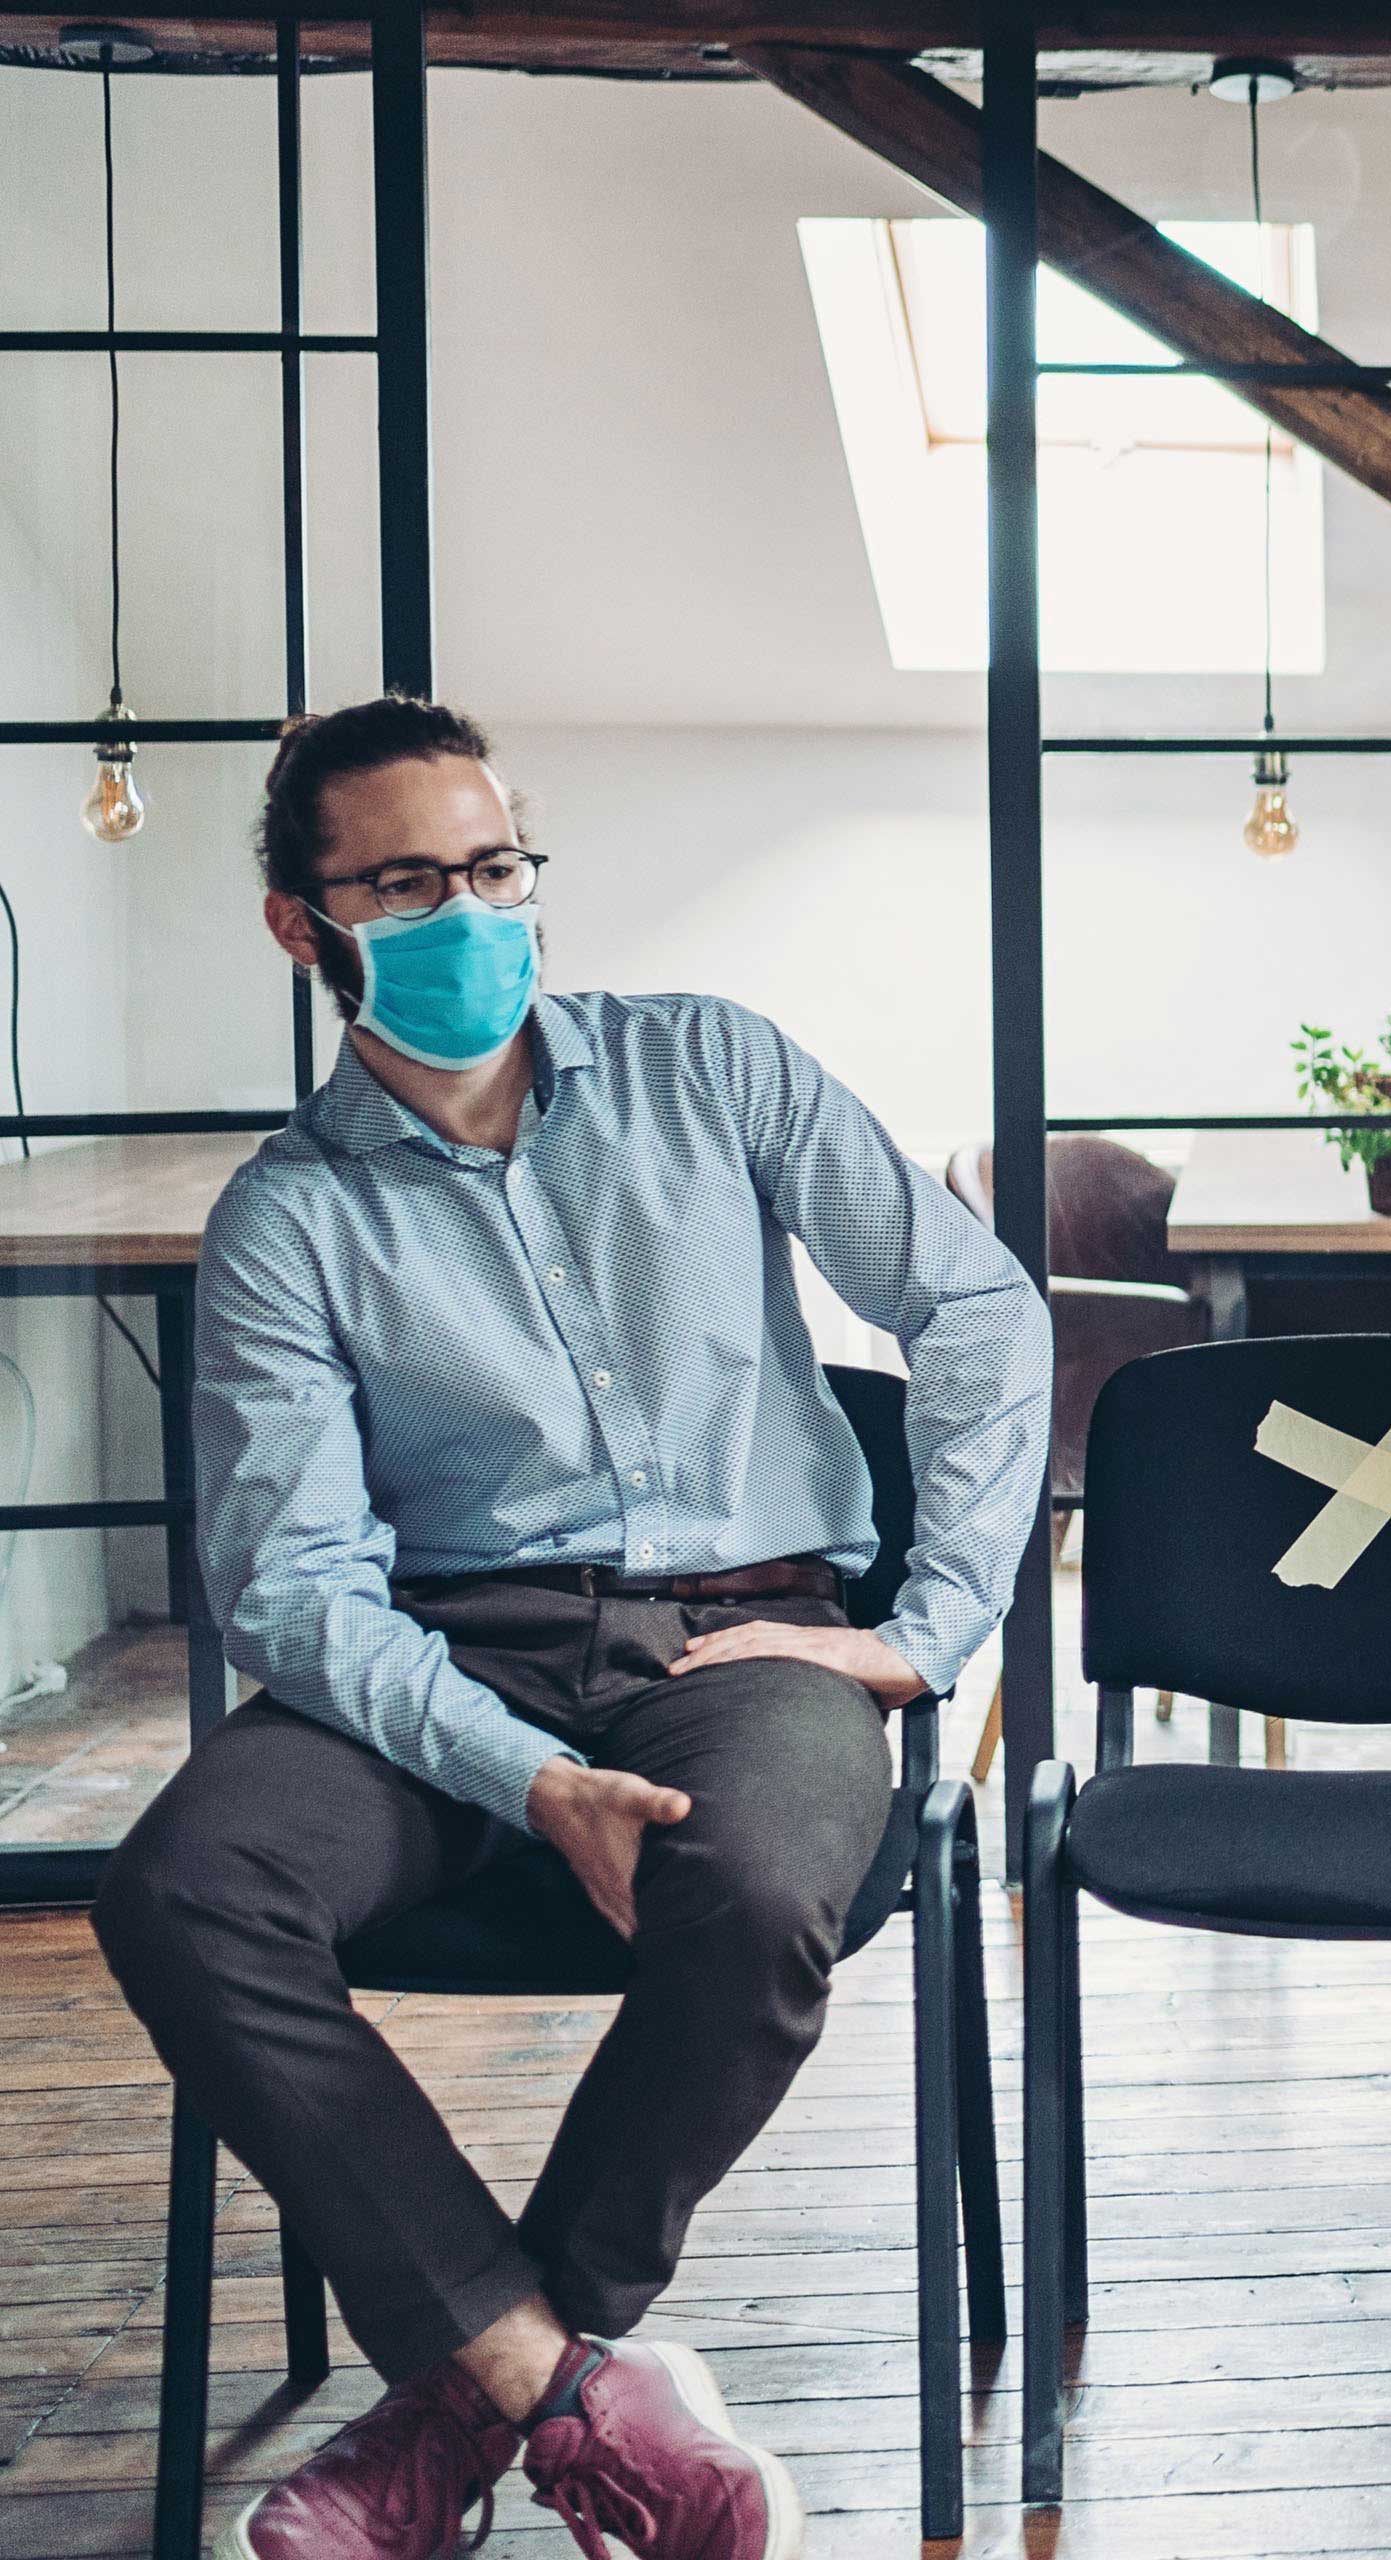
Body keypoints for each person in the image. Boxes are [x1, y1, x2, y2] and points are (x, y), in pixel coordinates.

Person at [90, 699, 1051, 2560]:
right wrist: (530, 1778)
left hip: (749, 1638)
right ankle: (568, 2394)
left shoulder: (716, 1070)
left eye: (497, 866)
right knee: (182, 1888)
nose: (472, 912)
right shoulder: (287, 1220)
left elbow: (981, 1311)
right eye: (408, 881)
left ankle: (465, 2405)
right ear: (306, 924)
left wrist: (929, 1629)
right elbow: (293, 1587)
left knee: (761, 1888)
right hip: (439, 1666)